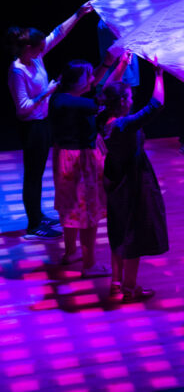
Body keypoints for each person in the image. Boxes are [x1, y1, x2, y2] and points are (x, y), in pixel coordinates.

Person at [6, 4, 92, 240]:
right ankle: (34, 225)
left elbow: (58, 33)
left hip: (42, 123)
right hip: (31, 127)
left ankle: (39, 216)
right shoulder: (18, 71)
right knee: (32, 175)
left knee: (38, 172)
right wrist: (48, 91)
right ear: (28, 48)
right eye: (40, 47)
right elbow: (22, 109)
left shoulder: (35, 57)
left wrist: (78, 14)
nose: (44, 48)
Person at [98, 59, 168, 302]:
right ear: (123, 102)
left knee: (118, 231)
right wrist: (158, 75)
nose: (131, 99)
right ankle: (129, 287)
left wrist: (122, 64)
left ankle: (117, 283)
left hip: (115, 178)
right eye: (128, 96)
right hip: (133, 181)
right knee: (133, 233)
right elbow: (156, 105)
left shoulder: (103, 117)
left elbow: (105, 88)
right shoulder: (123, 125)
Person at [51, 57, 119, 277]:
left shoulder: (63, 98)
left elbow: (97, 86)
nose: (92, 79)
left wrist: (114, 64)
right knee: (87, 212)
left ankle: (71, 253)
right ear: (77, 81)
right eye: (88, 76)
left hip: (66, 157)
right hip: (80, 160)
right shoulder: (72, 102)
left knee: (70, 205)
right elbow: (105, 96)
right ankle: (89, 265)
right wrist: (118, 68)